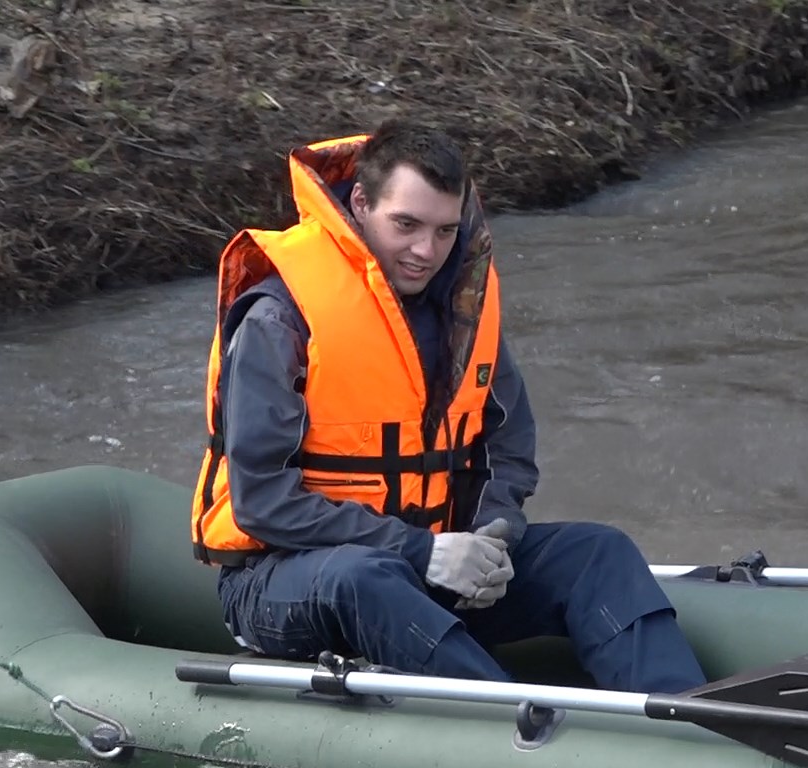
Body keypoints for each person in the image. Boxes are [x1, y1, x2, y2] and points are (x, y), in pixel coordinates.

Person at [189, 121, 706, 694]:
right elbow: (262, 502)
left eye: (443, 231)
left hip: (434, 556)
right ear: (360, 203)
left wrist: (489, 538)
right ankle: (530, 730)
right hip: (283, 581)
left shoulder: (463, 313)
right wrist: (422, 551)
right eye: (405, 225)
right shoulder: (277, 319)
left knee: (597, 551)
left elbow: (508, 449)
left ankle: (685, 719)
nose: (425, 251)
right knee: (365, 576)